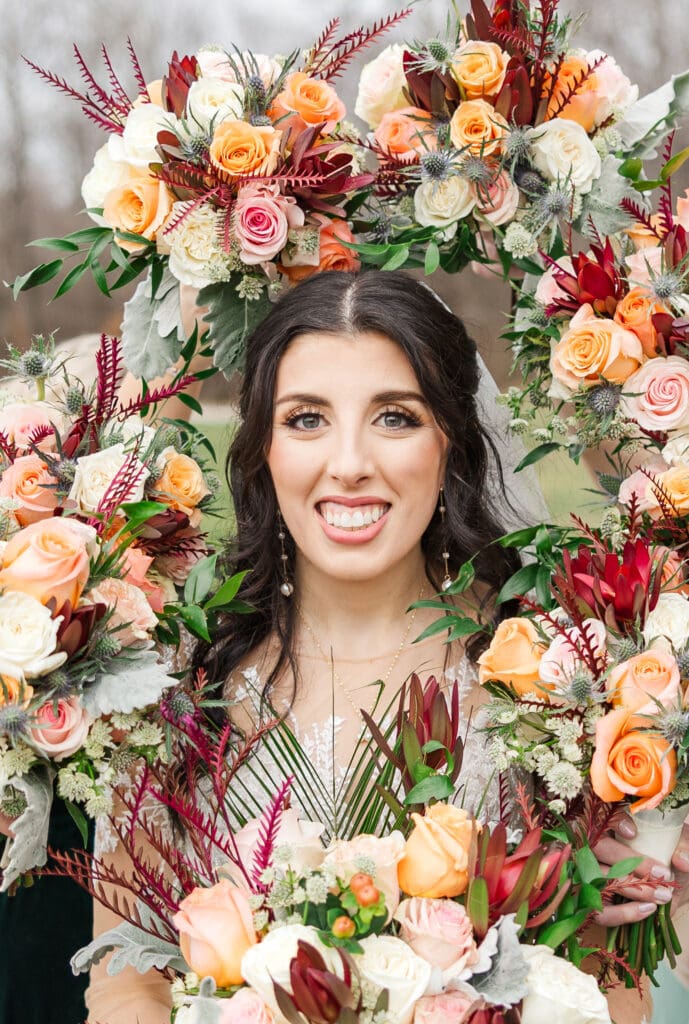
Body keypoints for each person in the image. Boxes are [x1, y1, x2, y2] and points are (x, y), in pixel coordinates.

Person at [84, 270, 686, 1023]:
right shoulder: (171, 689)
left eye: (394, 418)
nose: (347, 464)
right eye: (306, 419)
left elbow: (607, 989)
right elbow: (121, 973)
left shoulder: (554, 689)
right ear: (263, 447)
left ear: (451, 442)